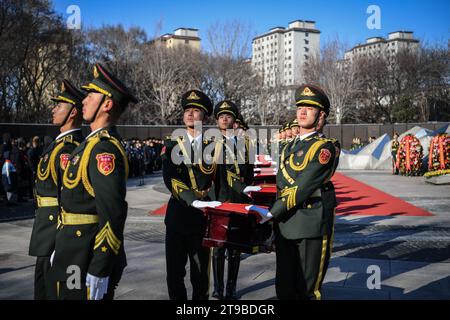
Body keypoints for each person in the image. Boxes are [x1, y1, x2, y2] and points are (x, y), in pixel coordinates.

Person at [48, 63, 138, 300]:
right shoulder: (89, 145)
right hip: (73, 249)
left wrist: (100, 267)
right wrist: (61, 243)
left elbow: (113, 213)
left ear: (107, 104)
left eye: (90, 95)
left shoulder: (103, 150)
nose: (84, 100)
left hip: (86, 254)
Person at [248, 84, 339, 300]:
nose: (302, 111)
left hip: (309, 225)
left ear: (321, 115)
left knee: (306, 291)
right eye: (300, 107)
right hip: (286, 224)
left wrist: (271, 212)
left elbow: (302, 187)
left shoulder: (325, 148)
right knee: (284, 289)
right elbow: (281, 183)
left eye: (309, 107)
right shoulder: (289, 147)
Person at [28, 79, 85, 300]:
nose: (53, 109)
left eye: (59, 106)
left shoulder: (68, 149)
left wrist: (59, 244)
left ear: (72, 112)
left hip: (54, 235)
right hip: (45, 232)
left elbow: (68, 199)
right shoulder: (58, 144)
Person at [162, 90, 221, 300]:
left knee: (200, 275)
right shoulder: (172, 144)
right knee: (174, 274)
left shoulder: (215, 146)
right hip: (178, 215)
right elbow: (170, 178)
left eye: (195, 110)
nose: (190, 114)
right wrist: (191, 199)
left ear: (204, 117)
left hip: (202, 218)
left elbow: (220, 180)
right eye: (187, 110)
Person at [210, 101, 256, 300]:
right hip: (219, 200)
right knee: (218, 248)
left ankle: (231, 287)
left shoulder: (244, 145)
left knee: (235, 249)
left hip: (238, 201)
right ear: (217, 120)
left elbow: (249, 171)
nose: (225, 119)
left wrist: (244, 191)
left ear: (234, 120)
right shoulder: (209, 143)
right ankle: (218, 287)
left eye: (228, 116)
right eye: (221, 116)